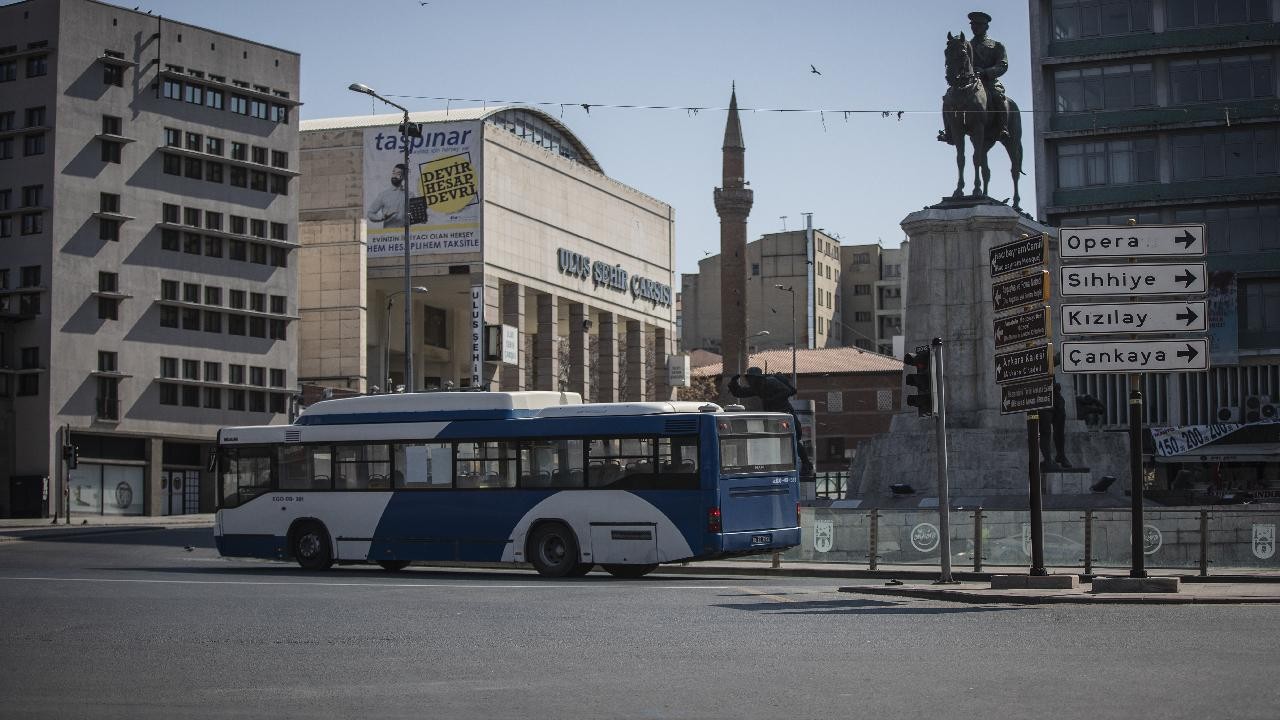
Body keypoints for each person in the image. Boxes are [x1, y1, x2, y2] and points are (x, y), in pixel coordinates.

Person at [728, 367, 815, 478]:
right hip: (773, 418)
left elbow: (788, 391)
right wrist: (733, 383)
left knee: (794, 440)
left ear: (757, 378)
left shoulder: (771, 382)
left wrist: (771, 399)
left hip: (785, 415)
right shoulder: (757, 388)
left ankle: (806, 464)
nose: (749, 381)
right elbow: (740, 393)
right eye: (748, 378)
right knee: (779, 442)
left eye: (750, 378)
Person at [938, 11, 1010, 145]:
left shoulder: (996, 46)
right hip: (968, 82)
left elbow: (1003, 65)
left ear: (986, 27)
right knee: (947, 99)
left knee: (999, 96)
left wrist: (986, 72)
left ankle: (1003, 128)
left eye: (978, 25)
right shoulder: (965, 46)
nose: (975, 27)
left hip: (989, 81)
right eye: (973, 25)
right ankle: (949, 132)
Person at [1039, 381, 1072, 469]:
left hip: (1055, 395)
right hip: (1041, 396)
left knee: (1060, 429)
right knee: (1045, 431)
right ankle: (1048, 459)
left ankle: (1061, 455)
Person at [367, 163, 408, 228]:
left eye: (398, 174)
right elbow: (370, 213)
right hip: (389, 235)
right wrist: (381, 218)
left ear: (404, 177)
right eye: (393, 173)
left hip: (407, 236)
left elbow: (414, 215)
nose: (394, 176)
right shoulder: (384, 195)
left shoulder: (410, 195)